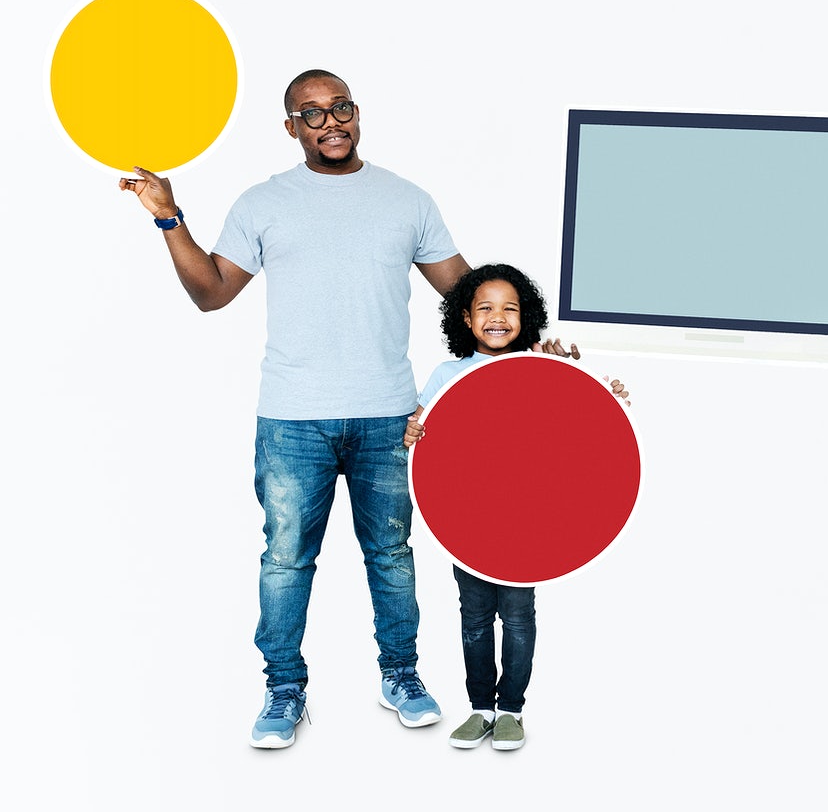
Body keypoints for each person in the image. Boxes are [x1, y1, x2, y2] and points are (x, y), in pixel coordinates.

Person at [118, 68, 575, 750]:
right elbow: (211, 293)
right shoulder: (263, 203)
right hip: (292, 417)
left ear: (357, 114)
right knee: (284, 559)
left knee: (391, 554)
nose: (331, 121)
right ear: (290, 127)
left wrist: (542, 355)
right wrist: (167, 214)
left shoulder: (407, 201)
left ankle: (402, 675)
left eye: (342, 107)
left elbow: (473, 298)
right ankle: (283, 688)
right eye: (312, 113)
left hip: (390, 415)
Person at [403, 263, 629, 751]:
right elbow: (423, 441)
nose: (498, 318)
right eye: (485, 308)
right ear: (465, 318)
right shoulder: (449, 374)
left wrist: (604, 397)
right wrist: (413, 432)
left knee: (519, 614)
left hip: (527, 520)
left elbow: (578, 434)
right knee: (475, 616)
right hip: (467, 518)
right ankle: (480, 707)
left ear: (526, 317)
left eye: (510, 308)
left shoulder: (542, 367)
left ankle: (511, 711)